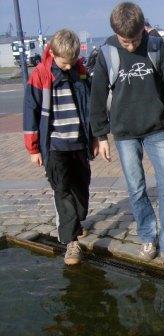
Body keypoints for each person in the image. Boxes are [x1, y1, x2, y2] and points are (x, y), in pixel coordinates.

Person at [90, 2, 164, 262]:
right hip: (124, 133)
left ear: (143, 29)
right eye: (125, 41)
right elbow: (97, 97)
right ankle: (148, 238)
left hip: (156, 129)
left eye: (135, 40)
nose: (131, 46)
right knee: (136, 189)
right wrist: (101, 136)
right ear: (115, 33)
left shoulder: (157, 47)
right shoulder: (107, 52)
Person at [23, 29, 98, 265]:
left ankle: (76, 220)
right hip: (54, 144)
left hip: (78, 141)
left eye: (72, 62)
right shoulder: (40, 75)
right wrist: (33, 149)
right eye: (64, 63)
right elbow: (30, 113)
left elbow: (90, 107)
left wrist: (95, 137)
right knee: (62, 189)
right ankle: (71, 241)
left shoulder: (80, 72)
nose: (68, 67)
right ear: (52, 53)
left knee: (81, 185)